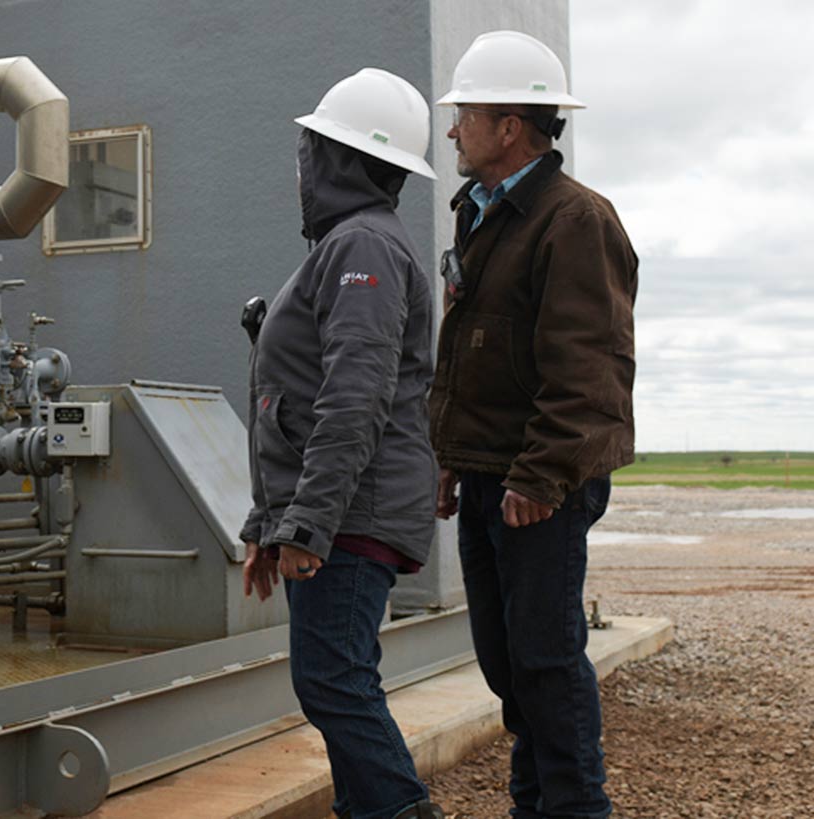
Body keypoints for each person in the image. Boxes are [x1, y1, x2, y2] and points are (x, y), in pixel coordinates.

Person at [430, 30, 637, 819]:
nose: (453, 129)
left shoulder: (574, 219)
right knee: (507, 662)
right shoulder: (482, 215)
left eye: (465, 114)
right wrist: (452, 456)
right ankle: (535, 805)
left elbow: (588, 369)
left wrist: (541, 475)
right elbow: (470, 354)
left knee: (547, 661)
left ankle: (576, 808)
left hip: (536, 484)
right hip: (490, 473)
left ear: (509, 125)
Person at [239, 67, 445, 819]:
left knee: (333, 679)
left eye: (314, 146)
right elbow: (292, 400)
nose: (303, 160)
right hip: (337, 513)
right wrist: (273, 524)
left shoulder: (364, 246)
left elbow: (354, 396)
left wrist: (310, 521)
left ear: (340, 159)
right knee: (336, 679)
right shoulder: (349, 244)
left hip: (352, 516)